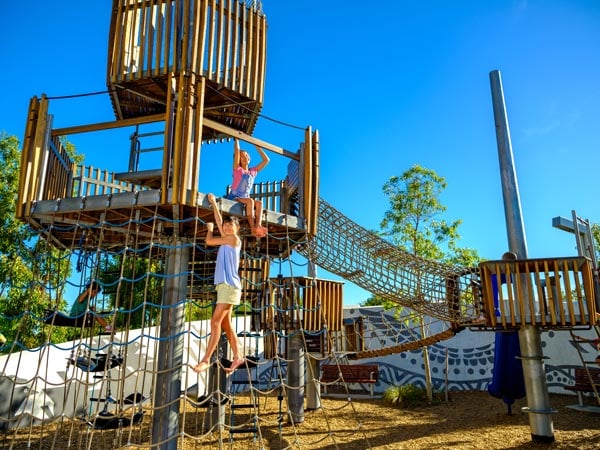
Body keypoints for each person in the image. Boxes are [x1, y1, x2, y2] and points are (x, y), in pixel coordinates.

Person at [194, 193, 245, 374]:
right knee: (225, 324)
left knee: (214, 322)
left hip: (229, 286)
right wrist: (214, 204)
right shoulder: (227, 239)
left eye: (231, 224)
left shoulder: (233, 239)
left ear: (237, 228)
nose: (227, 226)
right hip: (225, 285)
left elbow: (209, 240)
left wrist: (209, 229)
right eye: (226, 224)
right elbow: (216, 224)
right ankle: (238, 355)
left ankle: (206, 359)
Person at [226, 138, 270, 238]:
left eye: (246, 155)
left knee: (259, 203)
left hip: (245, 198)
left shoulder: (253, 171)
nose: (244, 157)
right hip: (235, 197)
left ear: (249, 159)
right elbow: (237, 150)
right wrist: (236, 139)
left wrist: (258, 147)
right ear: (238, 160)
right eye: (242, 156)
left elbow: (266, 160)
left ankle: (258, 224)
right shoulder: (237, 169)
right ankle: (253, 228)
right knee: (250, 201)